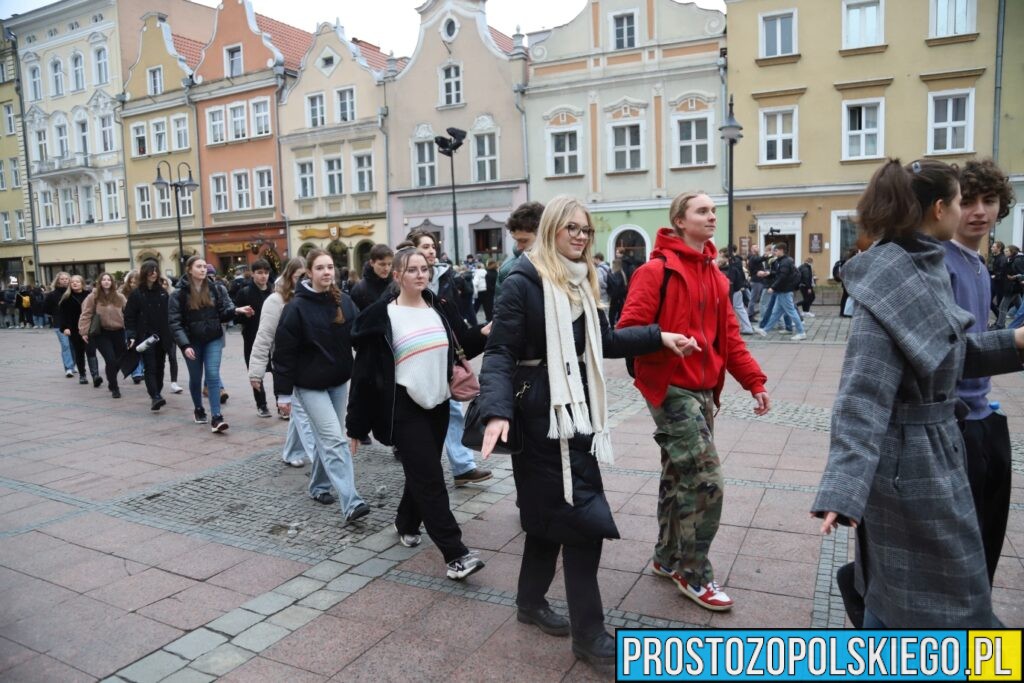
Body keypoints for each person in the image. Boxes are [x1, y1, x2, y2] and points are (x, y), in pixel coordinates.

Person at [478, 196, 691, 666]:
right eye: (571, 228)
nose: (579, 236)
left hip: (577, 416)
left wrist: (658, 336)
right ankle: (589, 636)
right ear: (553, 227)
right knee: (582, 525)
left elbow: (604, 340)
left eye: (586, 230)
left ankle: (529, 602)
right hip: (541, 419)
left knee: (547, 517)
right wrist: (496, 411)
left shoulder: (582, 282)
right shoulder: (523, 280)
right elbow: (498, 353)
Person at [812, 158, 1024, 629]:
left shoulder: (921, 263)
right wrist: (843, 490)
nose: (970, 211)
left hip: (932, 451)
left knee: (927, 599)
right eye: (961, 200)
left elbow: (942, 352)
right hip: (911, 467)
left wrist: (1013, 343)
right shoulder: (895, 275)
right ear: (939, 208)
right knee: (928, 601)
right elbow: (862, 394)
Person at [618, 191, 770, 615]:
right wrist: (664, 340)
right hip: (670, 388)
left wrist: (753, 381)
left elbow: (731, 338)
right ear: (680, 221)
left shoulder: (717, 277)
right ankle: (694, 572)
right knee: (706, 481)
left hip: (705, 391)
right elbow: (628, 330)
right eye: (702, 211)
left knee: (679, 475)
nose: (712, 217)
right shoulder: (655, 272)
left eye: (713, 211)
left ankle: (667, 558)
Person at [347, 247, 486, 577]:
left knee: (422, 473)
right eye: (412, 270)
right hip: (403, 407)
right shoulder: (382, 318)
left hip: (438, 403)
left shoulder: (436, 307)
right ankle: (456, 554)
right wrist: (355, 425)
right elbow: (364, 375)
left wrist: (486, 332)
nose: (421, 274)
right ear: (397, 276)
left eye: (425, 268)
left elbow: (460, 344)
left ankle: (406, 521)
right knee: (431, 478)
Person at [944, 158, 1016, 586]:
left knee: (983, 541)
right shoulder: (942, 262)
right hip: (954, 426)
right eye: (967, 201)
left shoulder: (977, 263)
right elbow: (947, 353)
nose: (979, 211)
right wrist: (1016, 342)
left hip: (980, 415)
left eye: (989, 201)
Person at [274, 250, 369, 520]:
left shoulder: (344, 302)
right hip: (309, 386)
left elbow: (359, 335)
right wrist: (283, 394)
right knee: (335, 440)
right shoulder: (295, 308)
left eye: (330, 267)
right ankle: (351, 502)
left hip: (338, 382)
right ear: (310, 273)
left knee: (328, 439)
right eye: (320, 268)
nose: (327, 272)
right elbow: (283, 354)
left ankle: (318, 485)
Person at [406, 230, 492, 486]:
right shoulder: (401, 291)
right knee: (421, 425)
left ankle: (462, 467)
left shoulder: (445, 278)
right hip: (418, 366)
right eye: (424, 246)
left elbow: (458, 331)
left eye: (433, 246)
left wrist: (481, 332)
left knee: (452, 411)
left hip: (445, 364)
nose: (431, 251)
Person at [250, 258, 329, 477]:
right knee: (303, 413)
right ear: (289, 276)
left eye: (306, 276)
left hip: (312, 364)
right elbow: (264, 336)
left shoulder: (316, 297)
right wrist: (256, 372)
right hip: (287, 365)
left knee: (299, 412)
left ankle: (292, 450)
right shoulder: (275, 301)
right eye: (298, 277)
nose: (304, 281)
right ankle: (323, 463)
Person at [169, 256, 252, 432]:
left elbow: (223, 312)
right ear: (189, 269)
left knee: (213, 375)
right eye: (198, 266)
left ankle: (216, 417)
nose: (203, 269)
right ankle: (199, 409)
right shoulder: (179, 294)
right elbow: (175, 323)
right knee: (196, 377)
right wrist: (184, 345)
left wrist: (237, 310)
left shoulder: (216, 288)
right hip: (191, 341)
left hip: (213, 338)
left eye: (204, 266)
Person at [125, 261, 175, 411]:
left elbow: (170, 315)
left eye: (155, 271)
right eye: (150, 271)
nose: (153, 274)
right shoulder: (137, 294)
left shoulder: (162, 293)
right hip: (146, 336)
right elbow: (129, 316)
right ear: (144, 273)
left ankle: (157, 392)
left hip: (162, 336)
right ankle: (155, 396)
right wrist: (131, 335)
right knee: (150, 366)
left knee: (160, 366)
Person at [233, 259, 274, 418]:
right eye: (260, 273)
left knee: (278, 370)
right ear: (253, 274)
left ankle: (280, 404)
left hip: (273, 338)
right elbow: (236, 318)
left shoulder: (274, 291)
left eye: (266, 272)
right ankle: (261, 405)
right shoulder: (245, 292)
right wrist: (244, 314)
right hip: (253, 338)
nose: (263, 276)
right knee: (256, 372)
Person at [78, 272, 127, 399]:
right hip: (102, 333)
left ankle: (111, 378)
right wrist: (84, 331)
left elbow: (128, 314)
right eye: (103, 280)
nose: (106, 282)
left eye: (109, 280)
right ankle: (114, 387)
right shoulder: (93, 297)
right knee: (110, 360)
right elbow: (86, 314)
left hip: (119, 331)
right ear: (99, 282)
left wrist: (132, 330)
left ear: (112, 283)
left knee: (120, 359)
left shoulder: (120, 297)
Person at [753, 243, 806, 340]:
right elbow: (778, 274)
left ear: (781, 250)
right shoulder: (781, 261)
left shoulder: (785, 262)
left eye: (776, 250)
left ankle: (801, 332)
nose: (774, 252)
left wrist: (772, 287)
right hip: (783, 290)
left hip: (785, 291)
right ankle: (765, 330)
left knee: (791, 312)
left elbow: (782, 277)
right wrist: (768, 274)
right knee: (776, 313)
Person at [57, 275, 100, 385]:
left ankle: (95, 376)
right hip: (74, 329)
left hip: (89, 328)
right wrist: (64, 328)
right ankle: (82, 375)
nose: (75, 284)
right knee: (79, 353)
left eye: (77, 282)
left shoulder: (89, 296)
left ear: (82, 283)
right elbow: (62, 315)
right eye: (72, 282)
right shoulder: (66, 298)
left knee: (91, 351)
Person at [496, 201, 544, 297]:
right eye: (516, 240)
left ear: (544, 235)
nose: (518, 247)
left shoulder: (565, 261)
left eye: (524, 241)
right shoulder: (508, 270)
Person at [45, 272, 75, 376]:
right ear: (58, 280)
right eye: (62, 279)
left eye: (67, 278)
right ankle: (69, 368)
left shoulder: (73, 292)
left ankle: (73, 365)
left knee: (73, 346)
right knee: (65, 345)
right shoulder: (52, 295)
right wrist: (56, 314)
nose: (65, 280)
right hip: (59, 323)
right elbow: (46, 308)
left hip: (73, 323)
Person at [120, 271, 146, 385]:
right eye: (131, 282)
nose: (133, 284)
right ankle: (136, 373)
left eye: (135, 282)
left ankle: (142, 370)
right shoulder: (122, 294)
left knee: (143, 348)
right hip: (129, 325)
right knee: (132, 347)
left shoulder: (144, 292)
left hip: (143, 325)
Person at [350, 244, 394, 311]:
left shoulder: (396, 285)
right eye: (382, 264)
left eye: (389, 264)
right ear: (372, 263)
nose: (386, 268)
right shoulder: (359, 289)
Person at [723, 248, 754, 334]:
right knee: (739, 308)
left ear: (727, 258)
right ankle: (746, 327)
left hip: (734, 290)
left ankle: (747, 328)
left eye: (723, 257)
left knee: (739, 308)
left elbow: (731, 280)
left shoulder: (732, 268)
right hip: (737, 289)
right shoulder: (736, 264)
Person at [746, 245, 767, 321]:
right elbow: (761, 259)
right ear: (751, 249)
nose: (757, 248)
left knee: (757, 299)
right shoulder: (752, 257)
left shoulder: (755, 257)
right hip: (756, 281)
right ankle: (749, 315)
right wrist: (766, 255)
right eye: (755, 247)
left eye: (758, 247)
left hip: (760, 280)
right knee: (753, 299)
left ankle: (751, 314)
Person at [987, 240, 1007, 320]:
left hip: (1000, 284)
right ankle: (999, 319)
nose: (991, 248)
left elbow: (1002, 271)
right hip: (994, 283)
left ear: (999, 248)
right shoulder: (994, 257)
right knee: (988, 301)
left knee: (1000, 304)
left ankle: (1000, 321)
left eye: (993, 247)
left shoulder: (1002, 258)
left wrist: (994, 276)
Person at [606, 260, 627, 327]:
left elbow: (616, 284)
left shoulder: (618, 274)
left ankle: (613, 327)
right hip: (620, 297)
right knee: (618, 312)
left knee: (612, 314)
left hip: (616, 297)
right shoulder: (622, 273)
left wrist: (609, 276)